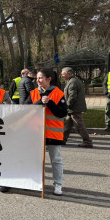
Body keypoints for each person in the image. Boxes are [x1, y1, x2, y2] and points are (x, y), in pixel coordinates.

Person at [30, 68, 67, 196]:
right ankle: (36, 182)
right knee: (35, 159)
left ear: (48, 79)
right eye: (37, 78)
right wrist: (40, 102)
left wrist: (50, 103)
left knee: (56, 159)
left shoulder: (58, 93)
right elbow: (25, 110)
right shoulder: (33, 93)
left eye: (40, 78)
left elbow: (62, 113)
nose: (37, 80)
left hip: (53, 133)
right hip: (35, 132)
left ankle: (58, 184)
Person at [61, 67, 92, 148]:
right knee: (68, 125)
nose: (62, 75)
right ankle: (63, 140)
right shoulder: (71, 81)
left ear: (69, 74)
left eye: (63, 74)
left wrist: (67, 105)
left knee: (79, 126)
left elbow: (72, 97)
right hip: (73, 108)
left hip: (74, 108)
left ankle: (87, 142)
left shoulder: (73, 82)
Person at [103, 63, 110, 131]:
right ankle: (107, 125)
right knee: (108, 111)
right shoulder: (109, 74)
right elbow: (104, 84)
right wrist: (106, 92)